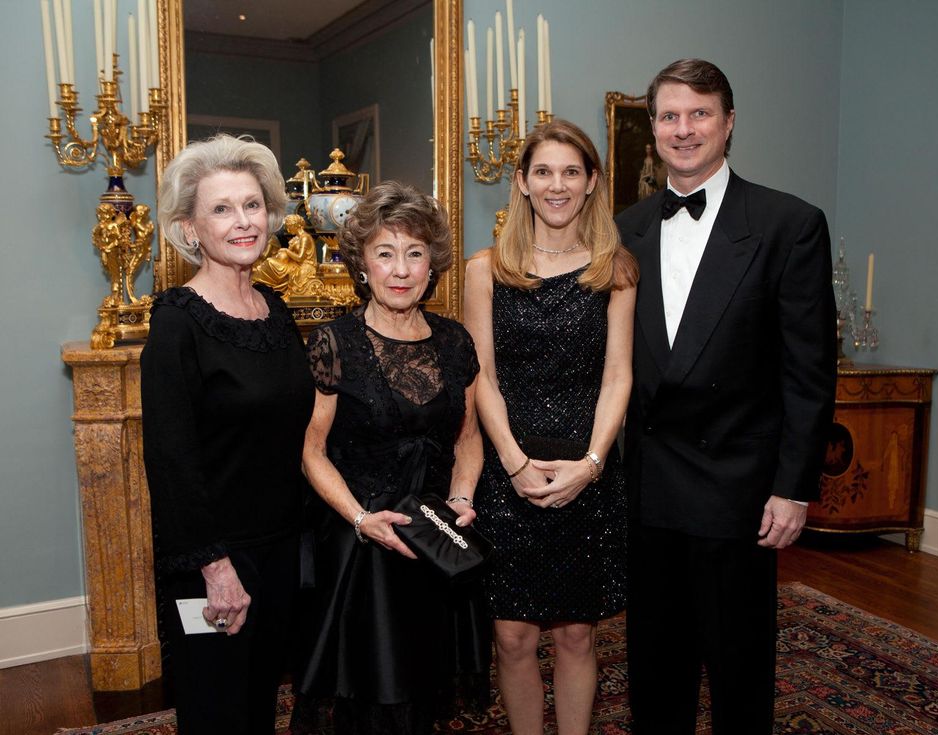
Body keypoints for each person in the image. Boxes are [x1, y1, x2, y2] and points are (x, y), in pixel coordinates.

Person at [616, 58, 837, 734]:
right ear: (652, 129)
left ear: (729, 122)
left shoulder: (788, 224)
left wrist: (793, 486)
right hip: (648, 485)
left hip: (738, 487)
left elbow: (809, 369)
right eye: (669, 116)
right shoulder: (624, 229)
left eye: (699, 114)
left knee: (738, 668)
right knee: (655, 667)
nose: (684, 130)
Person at [291, 181, 487, 735]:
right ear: (362, 265)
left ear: (431, 265)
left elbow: (467, 437)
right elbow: (311, 451)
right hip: (364, 544)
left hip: (435, 536)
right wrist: (361, 520)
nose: (400, 269)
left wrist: (461, 499)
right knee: (372, 692)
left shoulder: (454, 342)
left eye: (414, 253)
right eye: (385, 253)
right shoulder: (335, 342)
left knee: (425, 682)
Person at [464, 119, 638, 735]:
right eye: (543, 171)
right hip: (508, 471)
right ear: (521, 182)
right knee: (510, 636)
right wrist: (510, 462)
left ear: (591, 183)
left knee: (575, 634)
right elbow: (480, 376)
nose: (556, 185)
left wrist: (590, 465)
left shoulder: (614, 270)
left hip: (584, 471)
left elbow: (618, 376)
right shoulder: (484, 270)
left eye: (571, 171)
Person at [141, 134, 314, 734]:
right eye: (221, 209)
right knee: (217, 711)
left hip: (281, 547)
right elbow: (171, 461)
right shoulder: (175, 324)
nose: (243, 222)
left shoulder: (274, 308)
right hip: (215, 558)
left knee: (262, 701)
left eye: (252, 205)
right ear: (190, 229)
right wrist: (215, 568)